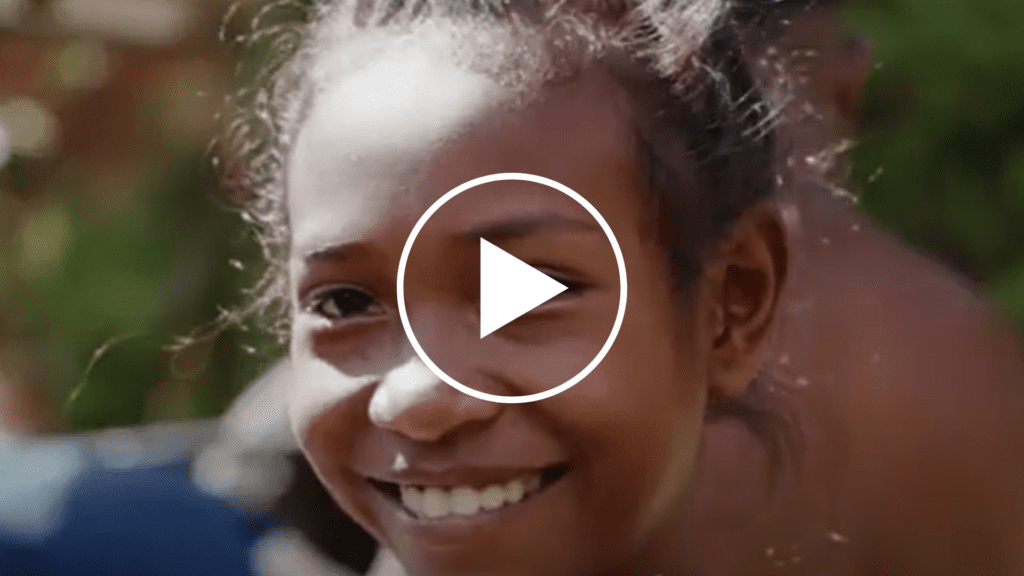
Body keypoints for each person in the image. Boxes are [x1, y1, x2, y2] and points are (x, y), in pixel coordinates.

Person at [225, 0, 1024, 575]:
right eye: (344, 301)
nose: (416, 398)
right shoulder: (969, 349)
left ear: (736, 304)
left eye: (535, 290)